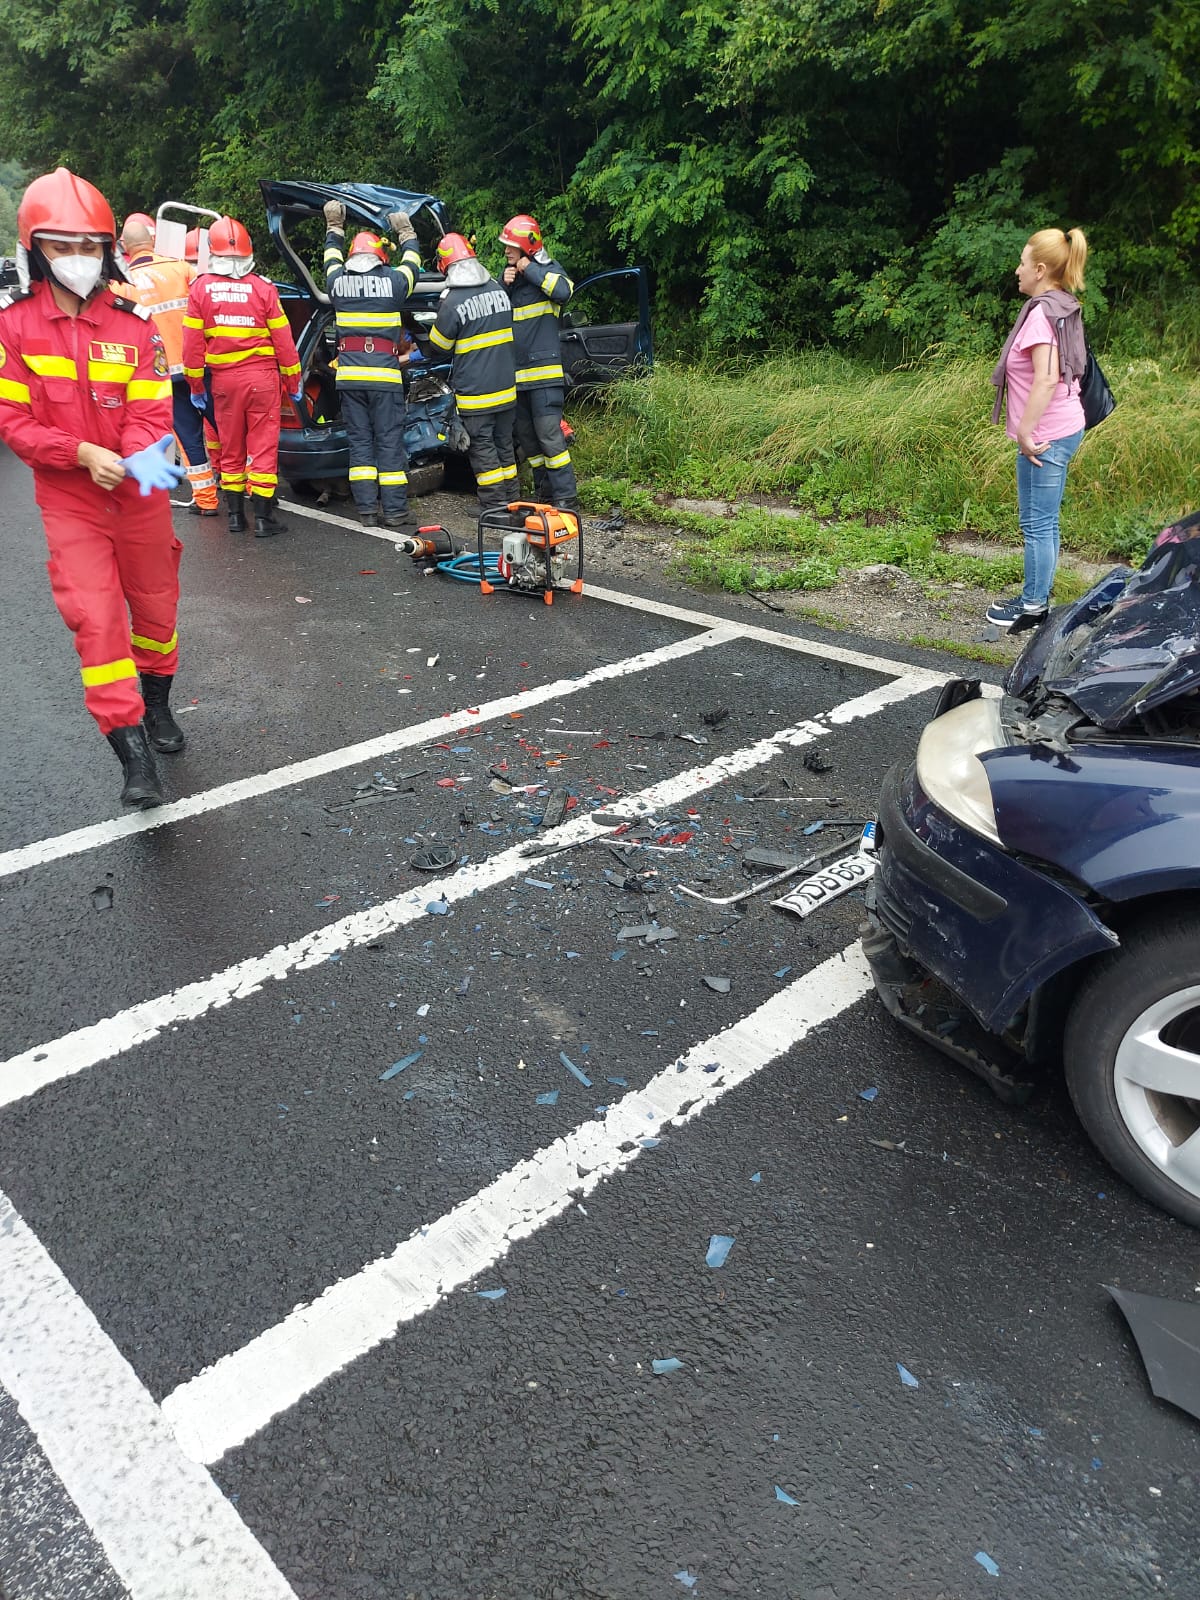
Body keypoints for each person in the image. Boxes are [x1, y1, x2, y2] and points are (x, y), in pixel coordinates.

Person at [0, 167, 188, 807]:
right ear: (36, 250)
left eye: (89, 246)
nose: (77, 259)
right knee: (97, 621)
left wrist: (131, 457)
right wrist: (79, 453)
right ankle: (133, 755)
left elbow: (152, 411)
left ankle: (158, 704)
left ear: (108, 250)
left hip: (139, 494)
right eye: (61, 246)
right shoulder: (16, 328)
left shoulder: (135, 322)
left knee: (156, 612)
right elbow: (13, 420)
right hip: (71, 499)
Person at [987, 227, 1089, 632]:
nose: (1017, 270)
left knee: (1037, 523)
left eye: (1023, 263)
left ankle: (1032, 605)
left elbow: (1046, 378)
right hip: (1061, 428)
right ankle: (1037, 597)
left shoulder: (1042, 315)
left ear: (1041, 269)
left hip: (1046, 434)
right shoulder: (1061, 304)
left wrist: (1026, 433)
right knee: (1044, 521)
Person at [181, 215, 302, 537]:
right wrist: (293, 381)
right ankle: (264, 519)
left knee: (230, 447)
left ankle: (236, 517)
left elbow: (192, 346)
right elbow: (284, 342)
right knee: (262, 449)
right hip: (262, 380)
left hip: (223, 382)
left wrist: (195, 385)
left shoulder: (201, 289)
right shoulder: (263, 288)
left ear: (212, 251)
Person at [322, 201, 423, 530]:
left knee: (361, 445)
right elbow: (413, 265)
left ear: (352, 256)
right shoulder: (393, 283)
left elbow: (330, 260)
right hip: (384, 379)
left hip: (350, 379)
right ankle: (394, 512)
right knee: (389, 444)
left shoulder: (337, 282)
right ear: (381, 257)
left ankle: (366, 511)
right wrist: (406, 232)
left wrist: (334, 228)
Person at [118, 213, 219, 517]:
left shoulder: (121, 282)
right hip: (199, 365)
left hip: (163, 374)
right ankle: (252, 487)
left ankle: (206, 500)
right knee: (227, 426)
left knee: (188, 437)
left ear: (125, 246)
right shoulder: (181, 268)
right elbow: (209, 306)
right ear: (152, 241)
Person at [429, 233, 517, 510]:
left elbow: (438, 347)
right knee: (504, 445)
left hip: (478, 394)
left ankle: (493, 506)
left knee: (483, 447)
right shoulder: (497, 288)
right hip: (506, 387)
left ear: (445, 266)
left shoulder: (453, 302)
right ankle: (512, 501)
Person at [499, 213, 578, 510]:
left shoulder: (548, 271)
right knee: (529, 442)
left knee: (550, 438)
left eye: (510, 245)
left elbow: (563, 291)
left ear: (526, 247)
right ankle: (544, 497)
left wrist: (528, 269)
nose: (506, 250)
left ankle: (567, 500)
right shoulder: (510, 279)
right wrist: (502, 283)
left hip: (544, 377)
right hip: (516, 378)